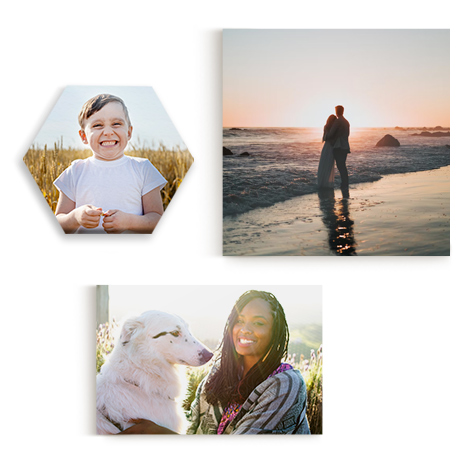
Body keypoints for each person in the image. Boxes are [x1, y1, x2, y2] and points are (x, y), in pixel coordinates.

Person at [121, 290, 310, 434]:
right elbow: (192, 427)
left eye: (258, 323)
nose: (245, 329)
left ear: (275, 332)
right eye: (240, 321)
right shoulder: (219, 374)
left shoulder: (286, 384)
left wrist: (161, 433)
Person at [54, 94, 167, 233]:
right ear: (83, 136)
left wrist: (130, 222)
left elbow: (157, 220)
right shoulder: (75, 171)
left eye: (116, 124)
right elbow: (59, 224)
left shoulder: (143, 168)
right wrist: (75, 217)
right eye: (97, 125)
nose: (108, 132)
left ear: (129, 132)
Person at [326, 105, 350, 194]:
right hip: (345, 146)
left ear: (337, 111)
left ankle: (344, 185)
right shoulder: (346, 122)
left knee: (341, 166)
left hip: (339, 146)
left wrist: (326, 136)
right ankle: (345, 184)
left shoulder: (338, 121)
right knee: (343, 166)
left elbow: (331, 133)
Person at [317, 114, 337, 189]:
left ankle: (326, 183)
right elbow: (324, 138)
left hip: (330, 147)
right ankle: (324, 183)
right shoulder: (327, 127)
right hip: (328, 147)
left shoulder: (333, 128)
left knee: (328, 165)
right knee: (325, 164)